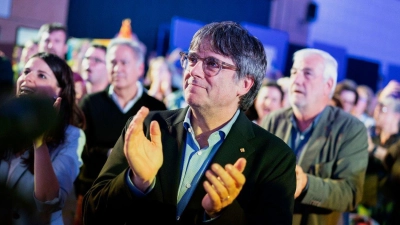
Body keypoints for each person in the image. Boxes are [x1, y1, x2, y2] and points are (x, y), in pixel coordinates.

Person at [82, 21, 296, 225]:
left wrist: (217, 214)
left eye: (212, 63)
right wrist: (135, 183)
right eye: (192, 59)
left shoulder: (273, 158)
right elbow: (92, 214)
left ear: (244, 84)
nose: (193, 71)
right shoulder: (146, 127)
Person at [261, 48, 369, 225]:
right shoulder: (274, 120)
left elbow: (350, 193)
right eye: (294, 72)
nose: (297, 79)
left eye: (307, 73)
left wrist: (306, 185)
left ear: (328, 85)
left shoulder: (350, 129)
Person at [74, 38, 167, 224]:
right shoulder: (90, 103)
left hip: (139, 199)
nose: (117, 68)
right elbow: (81, 150)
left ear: (140, 68)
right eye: (112, 62)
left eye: (124, 62)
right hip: (93, 193)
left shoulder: (156, 108)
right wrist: (115, 154)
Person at [0, 52, 86, 224]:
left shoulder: (72, 136)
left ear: (59, 92)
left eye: (41, 75)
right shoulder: (5, 123)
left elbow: (49, 202)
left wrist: (40, 143)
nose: (28, 78)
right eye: (26, 71)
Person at [37, 22, 87, 104]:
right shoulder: (27, 74)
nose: (50, 46)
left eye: (57, 41)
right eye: (47, 40)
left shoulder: (74, 79)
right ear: (39, 44)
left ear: (65, 47)